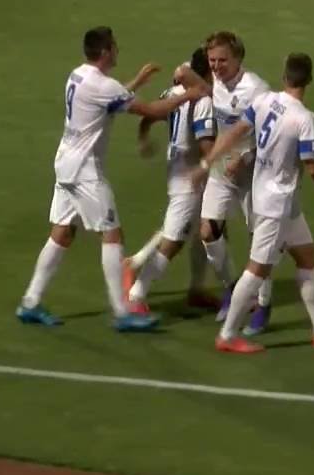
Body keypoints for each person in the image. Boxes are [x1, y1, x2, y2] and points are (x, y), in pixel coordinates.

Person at [16, 26, 207, 331]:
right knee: (112, 235)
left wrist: (136, 83)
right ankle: (122, 313)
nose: (118, 50)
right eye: (114, 46)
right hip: (85, 171)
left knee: (62, 234)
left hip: (65, 163)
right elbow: (152, 109)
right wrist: (191, 95)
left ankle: (30, 301)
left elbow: (107, 101)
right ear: (105, 51)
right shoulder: (104, 87)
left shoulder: (78, 75)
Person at [192, 53, 314, 353]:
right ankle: (228, 336)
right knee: (257, 270)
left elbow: (236, 132)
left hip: (276, 199)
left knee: (307, 256)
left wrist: (208, 161)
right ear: (308, 80)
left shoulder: (264, 101)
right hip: (276, 205)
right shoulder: (305, 119)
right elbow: (312, 166)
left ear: (285, 77)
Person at [121, 49, 218, 314]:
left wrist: (143, 138)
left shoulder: (175, 92)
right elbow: (207, 145)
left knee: (201, 230)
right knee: (174, 238)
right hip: (189, 174)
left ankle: (196, 289)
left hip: (180, 167)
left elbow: (152, 113)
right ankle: (136, 293)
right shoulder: (203, 100)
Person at [198, 32, 276, 334]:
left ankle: (264, 303)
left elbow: (269, 135)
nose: (216, 66)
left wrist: (243, 157)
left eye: (222, 61)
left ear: (238, 59)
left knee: (260, 241)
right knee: (208, 230)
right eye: (212, 60)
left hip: (253, 172)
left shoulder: (256, 90)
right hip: (222, 170)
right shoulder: (215, 80)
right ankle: (232, 288)